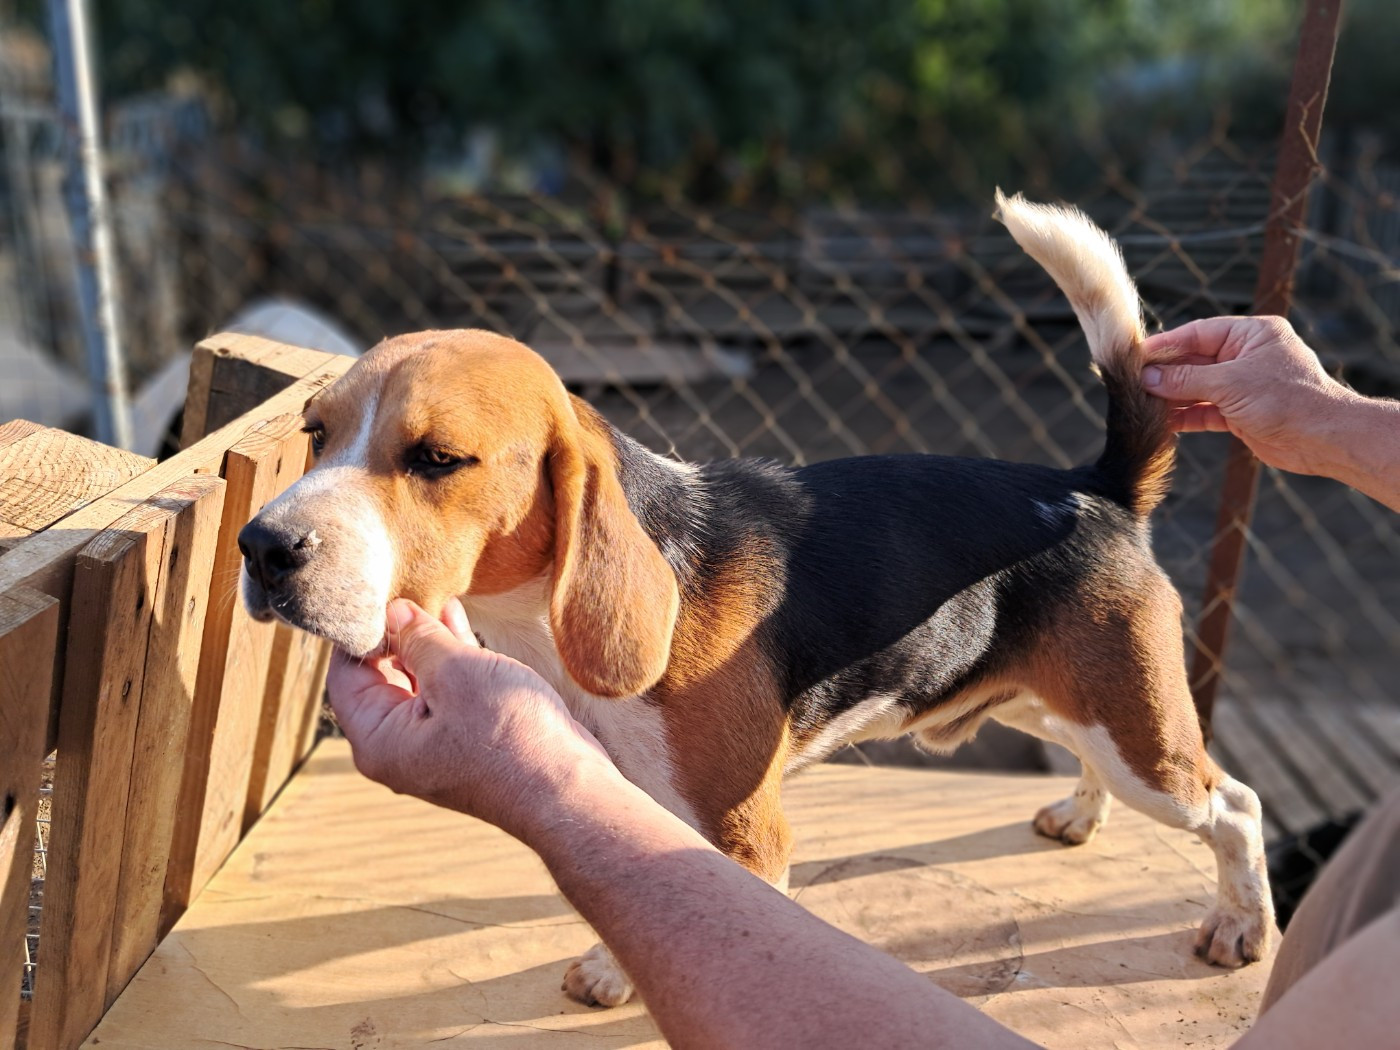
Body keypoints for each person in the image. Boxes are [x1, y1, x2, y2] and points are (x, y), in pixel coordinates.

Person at [327, 316, 1399, 1049]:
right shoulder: (583, 618)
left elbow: (753, 855)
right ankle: (1084, 778)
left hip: (1068, 582)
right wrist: (1336, 422)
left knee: (1155, 787)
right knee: (1096, 768)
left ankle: (1231, 839)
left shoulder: (674, 638)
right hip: (1041, 550)